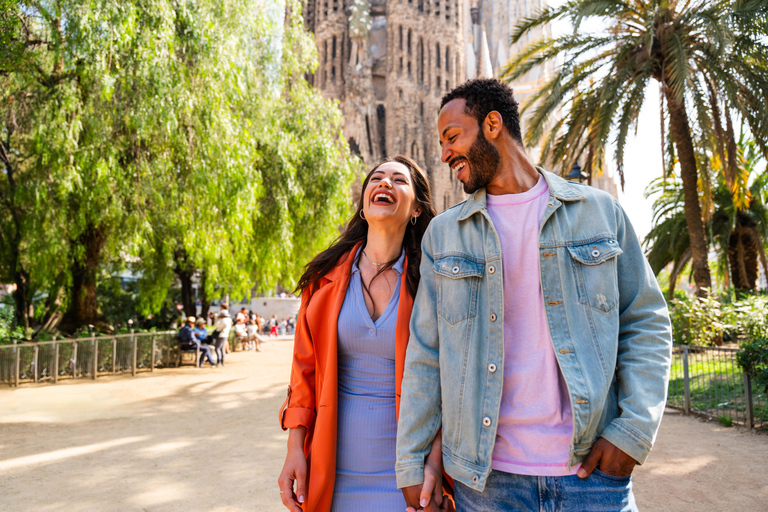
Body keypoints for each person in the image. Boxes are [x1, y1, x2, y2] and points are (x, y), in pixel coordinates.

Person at [395, 78, 673, 512]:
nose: (444, 153)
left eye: (452, 137)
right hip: (488, 483)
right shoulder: (445, 235)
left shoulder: (598, 212)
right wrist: (412, 463)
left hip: (592, 478)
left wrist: (632, 432)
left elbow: (645, 321)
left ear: (492, 124)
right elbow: (427, 354)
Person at [277, 156, 446, 512]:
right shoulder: (323, 279)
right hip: (332, 471)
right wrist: (295, 449)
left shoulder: (433, 284)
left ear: (416, 208)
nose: (384, 183)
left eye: (398, 180)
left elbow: (450, 382)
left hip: (408, 476)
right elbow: (303, 374)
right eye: (376, 178)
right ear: (364, 202)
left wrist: (435, 461)